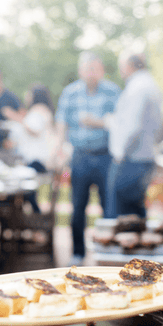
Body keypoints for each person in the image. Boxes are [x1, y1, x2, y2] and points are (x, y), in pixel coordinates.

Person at [55, 52, 120, 265]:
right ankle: (78, 253)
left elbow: (120, 123)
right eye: (87, 68)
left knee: (108, 207)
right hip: (80, 157)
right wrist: (60, 150)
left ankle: (107, 252)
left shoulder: (113, 92)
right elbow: (62, 123)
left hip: (105, 157)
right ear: (81, 70)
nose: (91, 73)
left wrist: (97, 122)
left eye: (95, 68)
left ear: (101, 70)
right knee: (77, 206)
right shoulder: (70, 93)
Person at [105, 52, 163, 219]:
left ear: (128, 66)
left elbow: (132, 126)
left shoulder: (137, 88)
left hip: (131, 159)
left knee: (121, 216)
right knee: (136, 213)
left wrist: (120, 153)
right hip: (144, 158)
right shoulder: (151, 85)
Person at [1, 84, 59, 213]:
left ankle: (33, 219)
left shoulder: (40, 110)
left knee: (23, 190)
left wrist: (13, 116)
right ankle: (29, 219)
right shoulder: (37, 112)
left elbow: (33, 128)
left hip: (37, 160)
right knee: (25, 192)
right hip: (34, 159)